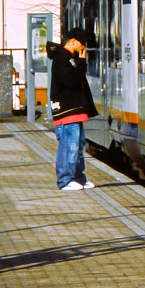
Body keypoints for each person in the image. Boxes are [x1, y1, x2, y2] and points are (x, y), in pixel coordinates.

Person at [48, 27, 97, 190]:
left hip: (74, 109)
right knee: (69, 146)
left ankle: (78, 177)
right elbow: (71, 81)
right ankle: (65, 180)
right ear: (74, 41)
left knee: (78, 145)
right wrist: (81, 62)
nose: (84, 47)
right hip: (66, 109)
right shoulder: (62, 58)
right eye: (82, 43)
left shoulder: (69, 57)